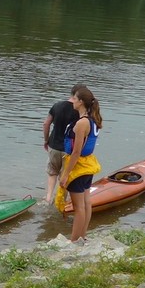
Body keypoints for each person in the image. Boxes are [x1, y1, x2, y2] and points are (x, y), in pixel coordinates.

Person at [58, 86, 103, 244]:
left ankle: (74, 240)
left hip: (78, 168)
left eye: (75, 99)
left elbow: (76, 152)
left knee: (79, 207)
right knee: (86, 203)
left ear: (81, 102)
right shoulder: (93, 120)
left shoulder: (82, 123)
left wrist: (65, 175)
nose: (72, 101)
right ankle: (82, 236)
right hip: (88, 166)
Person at [43, 84, 84, 205]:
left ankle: (48, 198)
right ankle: (60, 201)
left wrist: (46, 140)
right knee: (64, 176)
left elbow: (46, 124)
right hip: (69, 149)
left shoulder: (57, 105)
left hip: (54, 145)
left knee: (52, 172)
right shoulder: (80, 111)